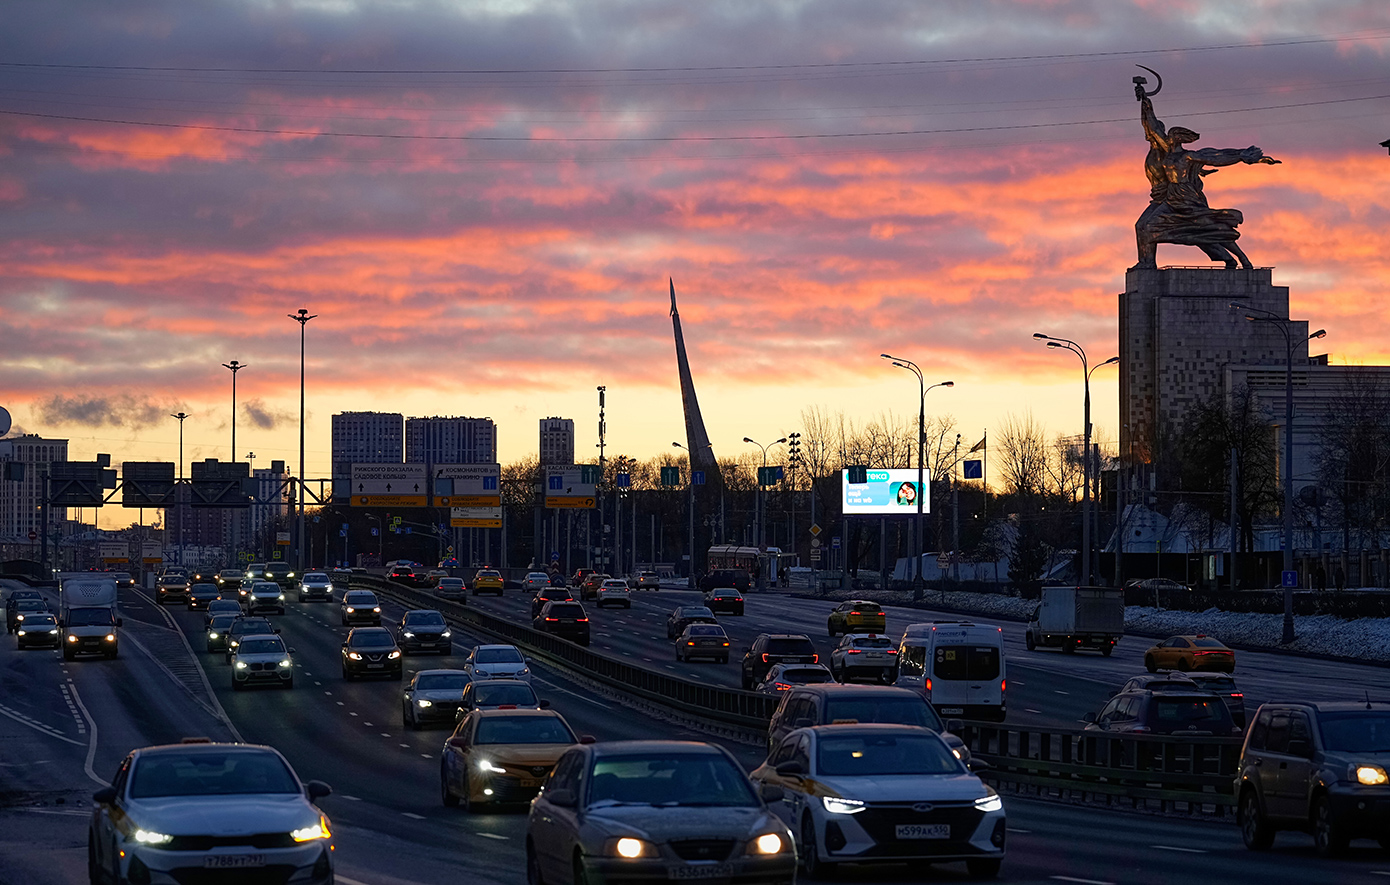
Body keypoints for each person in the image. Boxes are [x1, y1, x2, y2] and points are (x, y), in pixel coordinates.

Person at [1133, 82, 1279, 269]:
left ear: (1174, 139)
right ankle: (1146, 264)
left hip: (1186, 200)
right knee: (1146, 227)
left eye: (1168, 136)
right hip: (1167, 199)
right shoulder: (1163, 152)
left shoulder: (1183, 155)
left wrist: (1242, 156)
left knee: (1205, 229)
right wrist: (1144, 102)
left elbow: (1215, 156)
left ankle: (1241, 260)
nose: (1160, 137)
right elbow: (1151, 127)